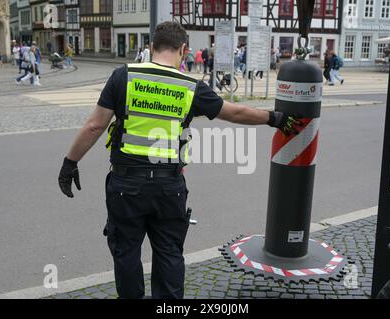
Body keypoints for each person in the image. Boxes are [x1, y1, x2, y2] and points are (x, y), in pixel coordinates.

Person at [57, 21, 301, 300]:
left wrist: (70, 163)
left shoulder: (124, 76)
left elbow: (94, 126)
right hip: (169, 188)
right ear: (183, 50)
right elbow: (235, 113)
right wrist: (275, 118)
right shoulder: (190, 86)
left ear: (151, 48)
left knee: (126, 253)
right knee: (169, 253)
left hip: (126, 186)